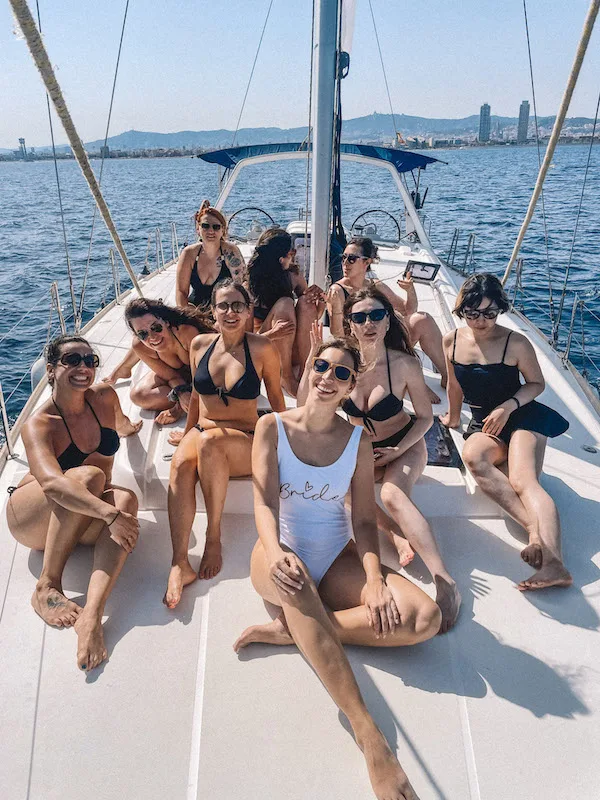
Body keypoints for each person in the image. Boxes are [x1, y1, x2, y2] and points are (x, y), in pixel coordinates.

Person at [234, 337, 441, 800]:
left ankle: (299, 629)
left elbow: (364, 521)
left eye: (341, 373)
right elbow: (263, 504)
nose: (328, 378)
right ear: (309, 370)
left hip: (336, 553)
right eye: (322, 367)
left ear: (350, 387)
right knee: (297, 581)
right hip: (278, 548)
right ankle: (371, 740)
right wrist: (277, 551)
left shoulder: (358, 442)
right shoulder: (272, 426)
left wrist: (373, 579)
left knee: (426, 619)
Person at [325, 286, 459, 631]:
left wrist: (398, 450)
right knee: (340, 493)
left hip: (406, 443)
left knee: (390, 494)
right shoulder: (344, 364)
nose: (368, 323)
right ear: (350, 324)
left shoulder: (404, 364)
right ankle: (398, 537)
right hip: (365, 450)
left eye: (376, 315)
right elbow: (316, 403)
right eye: (359, 317)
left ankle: (444, 581)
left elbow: (427, 419)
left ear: (387, 321)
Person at [5, 335, 142, 671]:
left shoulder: (106, 397)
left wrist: (136, 427)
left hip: (84, 512)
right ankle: (47, 585)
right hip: (31, 516)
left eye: (90, 360)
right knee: (90, 478)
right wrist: (109, 514)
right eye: (72, 360)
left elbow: (121, 425)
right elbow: (52, 483)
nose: (84, 367)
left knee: (126, 497)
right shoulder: (39, 424)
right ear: (51, 369)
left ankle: (92, 615)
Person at [440, 273, 572, 591]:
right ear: (462, 310)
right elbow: (454, 384)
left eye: (489, 312)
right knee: (473, 458)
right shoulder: (452, 340)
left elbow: (537, 384)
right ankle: (534, 531)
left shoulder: (516, 342)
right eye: (473, 313)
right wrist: (453, 418)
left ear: (500, 308)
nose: (482, 320)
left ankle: (554, 564)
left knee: (521, 479)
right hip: (484, 422)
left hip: (522, 414)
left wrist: (509, 405)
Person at [164, 279, 286, 607]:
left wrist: (288, 441)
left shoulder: (261, 348)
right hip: (205, 431)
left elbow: (275, 397)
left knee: (209, 446)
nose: (230, 312)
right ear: (213, 311)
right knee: (181, 463)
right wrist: (187, 432)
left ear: (248, 312)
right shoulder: (199, 345)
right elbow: (195, 399)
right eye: (223, 306)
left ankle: (213, 537)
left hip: (245, 438)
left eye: (237, 306)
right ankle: (179, 562)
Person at [326, 237, 446, 403]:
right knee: (386, 332)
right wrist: (337, 309)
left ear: (366, 262)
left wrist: (410, 290)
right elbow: (337, 334)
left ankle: (448, 377)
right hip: (359, 347)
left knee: (421, 320)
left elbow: (408, 310)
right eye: (343, 258)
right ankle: (415, 383)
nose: (345, 263)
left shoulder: (375, 285)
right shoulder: (337, 290)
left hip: (382, 340)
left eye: (351, 259)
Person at [103, 298, 214, 425]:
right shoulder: (139, 346)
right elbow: (171, 376)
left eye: (156, 327)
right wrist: (182, 393)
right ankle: (124, 368)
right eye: (143, 334)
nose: (152, 337)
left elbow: (205, 375)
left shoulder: (186, 332)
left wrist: (178, 409)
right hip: (181, 376)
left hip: (205, 373)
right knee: (139, 395)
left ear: (166, 322)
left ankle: (190, 402)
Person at [248, 227, 325, 396]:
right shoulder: (249, 284)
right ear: (280, 258)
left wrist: (321, 301)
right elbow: (244, 339)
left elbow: (312, 316)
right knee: (285, 303)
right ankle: (286, 377)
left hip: (292, 350)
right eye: (291, 251)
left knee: (305, 301)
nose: (294, 254)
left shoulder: (293, 276)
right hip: (264, 346)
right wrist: (274, 333)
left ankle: (306, 370)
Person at [176, 200, 246, 310]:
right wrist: (191, 316)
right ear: (198, 229)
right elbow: (181, 292)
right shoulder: (189, 254)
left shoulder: (231, 252)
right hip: (195, 311)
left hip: (225, 310)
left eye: (216, 227)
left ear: (223, 230)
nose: (211, 231)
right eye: (205, 226)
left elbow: (240, 290)